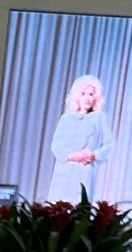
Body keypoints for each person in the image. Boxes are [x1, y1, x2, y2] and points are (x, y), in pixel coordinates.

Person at [46, 72, 114, 204]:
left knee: (79, 204)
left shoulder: (99, 118)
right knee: (59, 205)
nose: (87, 98)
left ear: (96, 97)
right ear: (77, 96)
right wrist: (73, 156)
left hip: (84, 169)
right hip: (64, 170)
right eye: (83, 94)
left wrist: (94, 154)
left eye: (91, 94)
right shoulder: (66, 118)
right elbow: (56, 146)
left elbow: (109, 144)